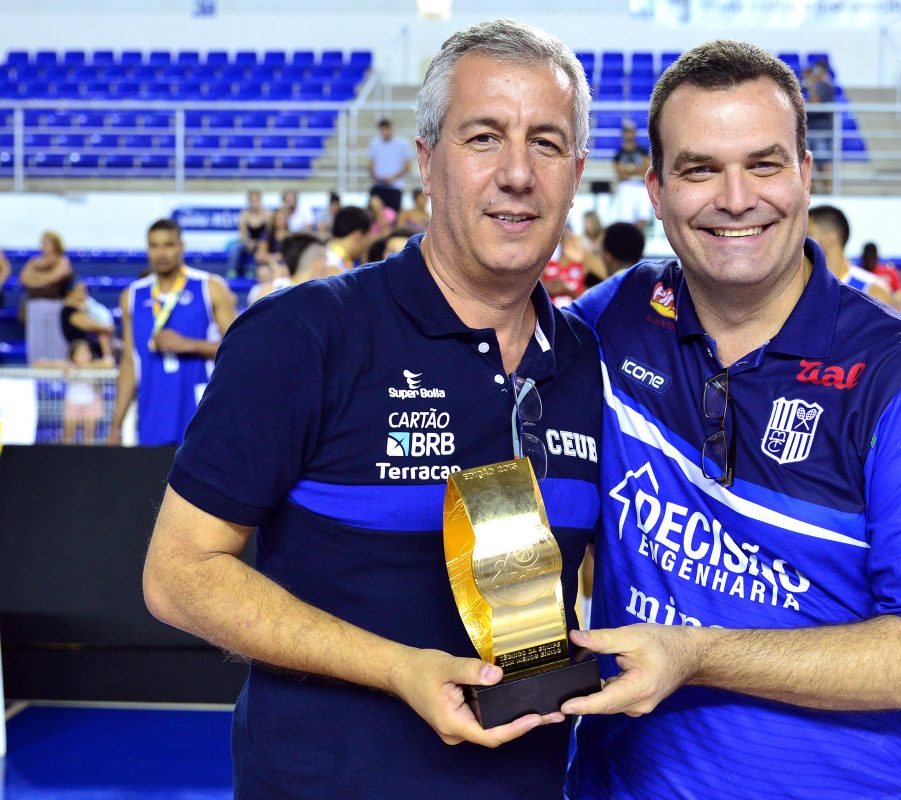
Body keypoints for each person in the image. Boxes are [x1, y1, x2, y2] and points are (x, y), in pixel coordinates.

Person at [141, 19, 601, 799]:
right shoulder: (303, 335)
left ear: (577, 171)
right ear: (426, 161)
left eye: (547, 144)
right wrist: (397, 669)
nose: (518, 173)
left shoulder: (587, 362)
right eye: (484, 138)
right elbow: (179, 574)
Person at [565, 40, 901, 800]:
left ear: (806, 173)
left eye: (763, 164)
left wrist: (695, 654)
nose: (736, 198)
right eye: (700, 169)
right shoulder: (619, 314)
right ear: (656, 190)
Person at [108, 219, 236, 447]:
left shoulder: (210, 287)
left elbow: (239, 349)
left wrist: (190, 344)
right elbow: (129, 362)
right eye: (154, 245)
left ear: (181, 247)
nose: (161, 253)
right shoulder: (132, 296)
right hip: (152, 412)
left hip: (200, 410)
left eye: (168, 244)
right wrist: (116, 425)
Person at [807, 204, 892, 304]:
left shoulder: (873, 291)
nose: (802, 240)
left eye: (808, 234)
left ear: (831, 237)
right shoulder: (802, 285)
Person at [19, 231, 74, 364]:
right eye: (43, 243)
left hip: (55, 305)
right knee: (36, 339)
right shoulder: (34, 262)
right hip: (35, 306)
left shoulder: (62, 261)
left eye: (47, 243)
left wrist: (36, 279)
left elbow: (55, 277)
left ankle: (58, 367)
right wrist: (44, 279)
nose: (44, 246)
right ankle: (37, 367)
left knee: (56, 338)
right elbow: (24, 278)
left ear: (56, 245)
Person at [610, 120, 654, 229]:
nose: (629, 135)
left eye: (630, 131)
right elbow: (620, 174)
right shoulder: (619, 154)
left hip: (641, 185)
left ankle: (638, 237)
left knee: (643, 216)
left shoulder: (642, 151)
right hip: (626, 186)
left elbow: (646, 170)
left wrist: (629, 170)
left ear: (634, 133)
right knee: (626, 218)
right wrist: (637, 170)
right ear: (623, 134)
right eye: (626, 132)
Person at [803, 61, 835, 193]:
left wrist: (811, 84)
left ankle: (827, 190)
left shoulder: (826, 87)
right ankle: (814, 190)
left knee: (823, 161)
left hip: (822, 131)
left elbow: (814, 102)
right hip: (810, 130)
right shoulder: (808, 87)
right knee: (810, 162)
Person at [368, 118, 412, 213]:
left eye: (386, 129)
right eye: (382, 130)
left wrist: (393, 178)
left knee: (394, 216)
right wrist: (375, 177)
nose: (384, 132)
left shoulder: (403, 144)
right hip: (378, 186)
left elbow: (408, 167)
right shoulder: (374, 144)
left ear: (391, 129)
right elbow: (371, 165)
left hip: (395, 187)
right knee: (372, 215)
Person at [227, 190, 272, 279]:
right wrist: (248, 242)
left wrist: (260, 244)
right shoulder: (245, 215)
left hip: (262, 243)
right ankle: (233, 270)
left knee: (260, 251)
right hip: (249, 242)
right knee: (237, 248)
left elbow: (269, 232)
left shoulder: (267, 214)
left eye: (256, 201)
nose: (254, 204)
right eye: (252, 201)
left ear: (260, 201)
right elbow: (242, 233)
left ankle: (253, 272)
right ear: (249, 202)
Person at [321, 205, 373, 275]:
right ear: (358, 236)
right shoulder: (331, 266)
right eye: (368, 237)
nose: (368, 245)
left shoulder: (335, 257)